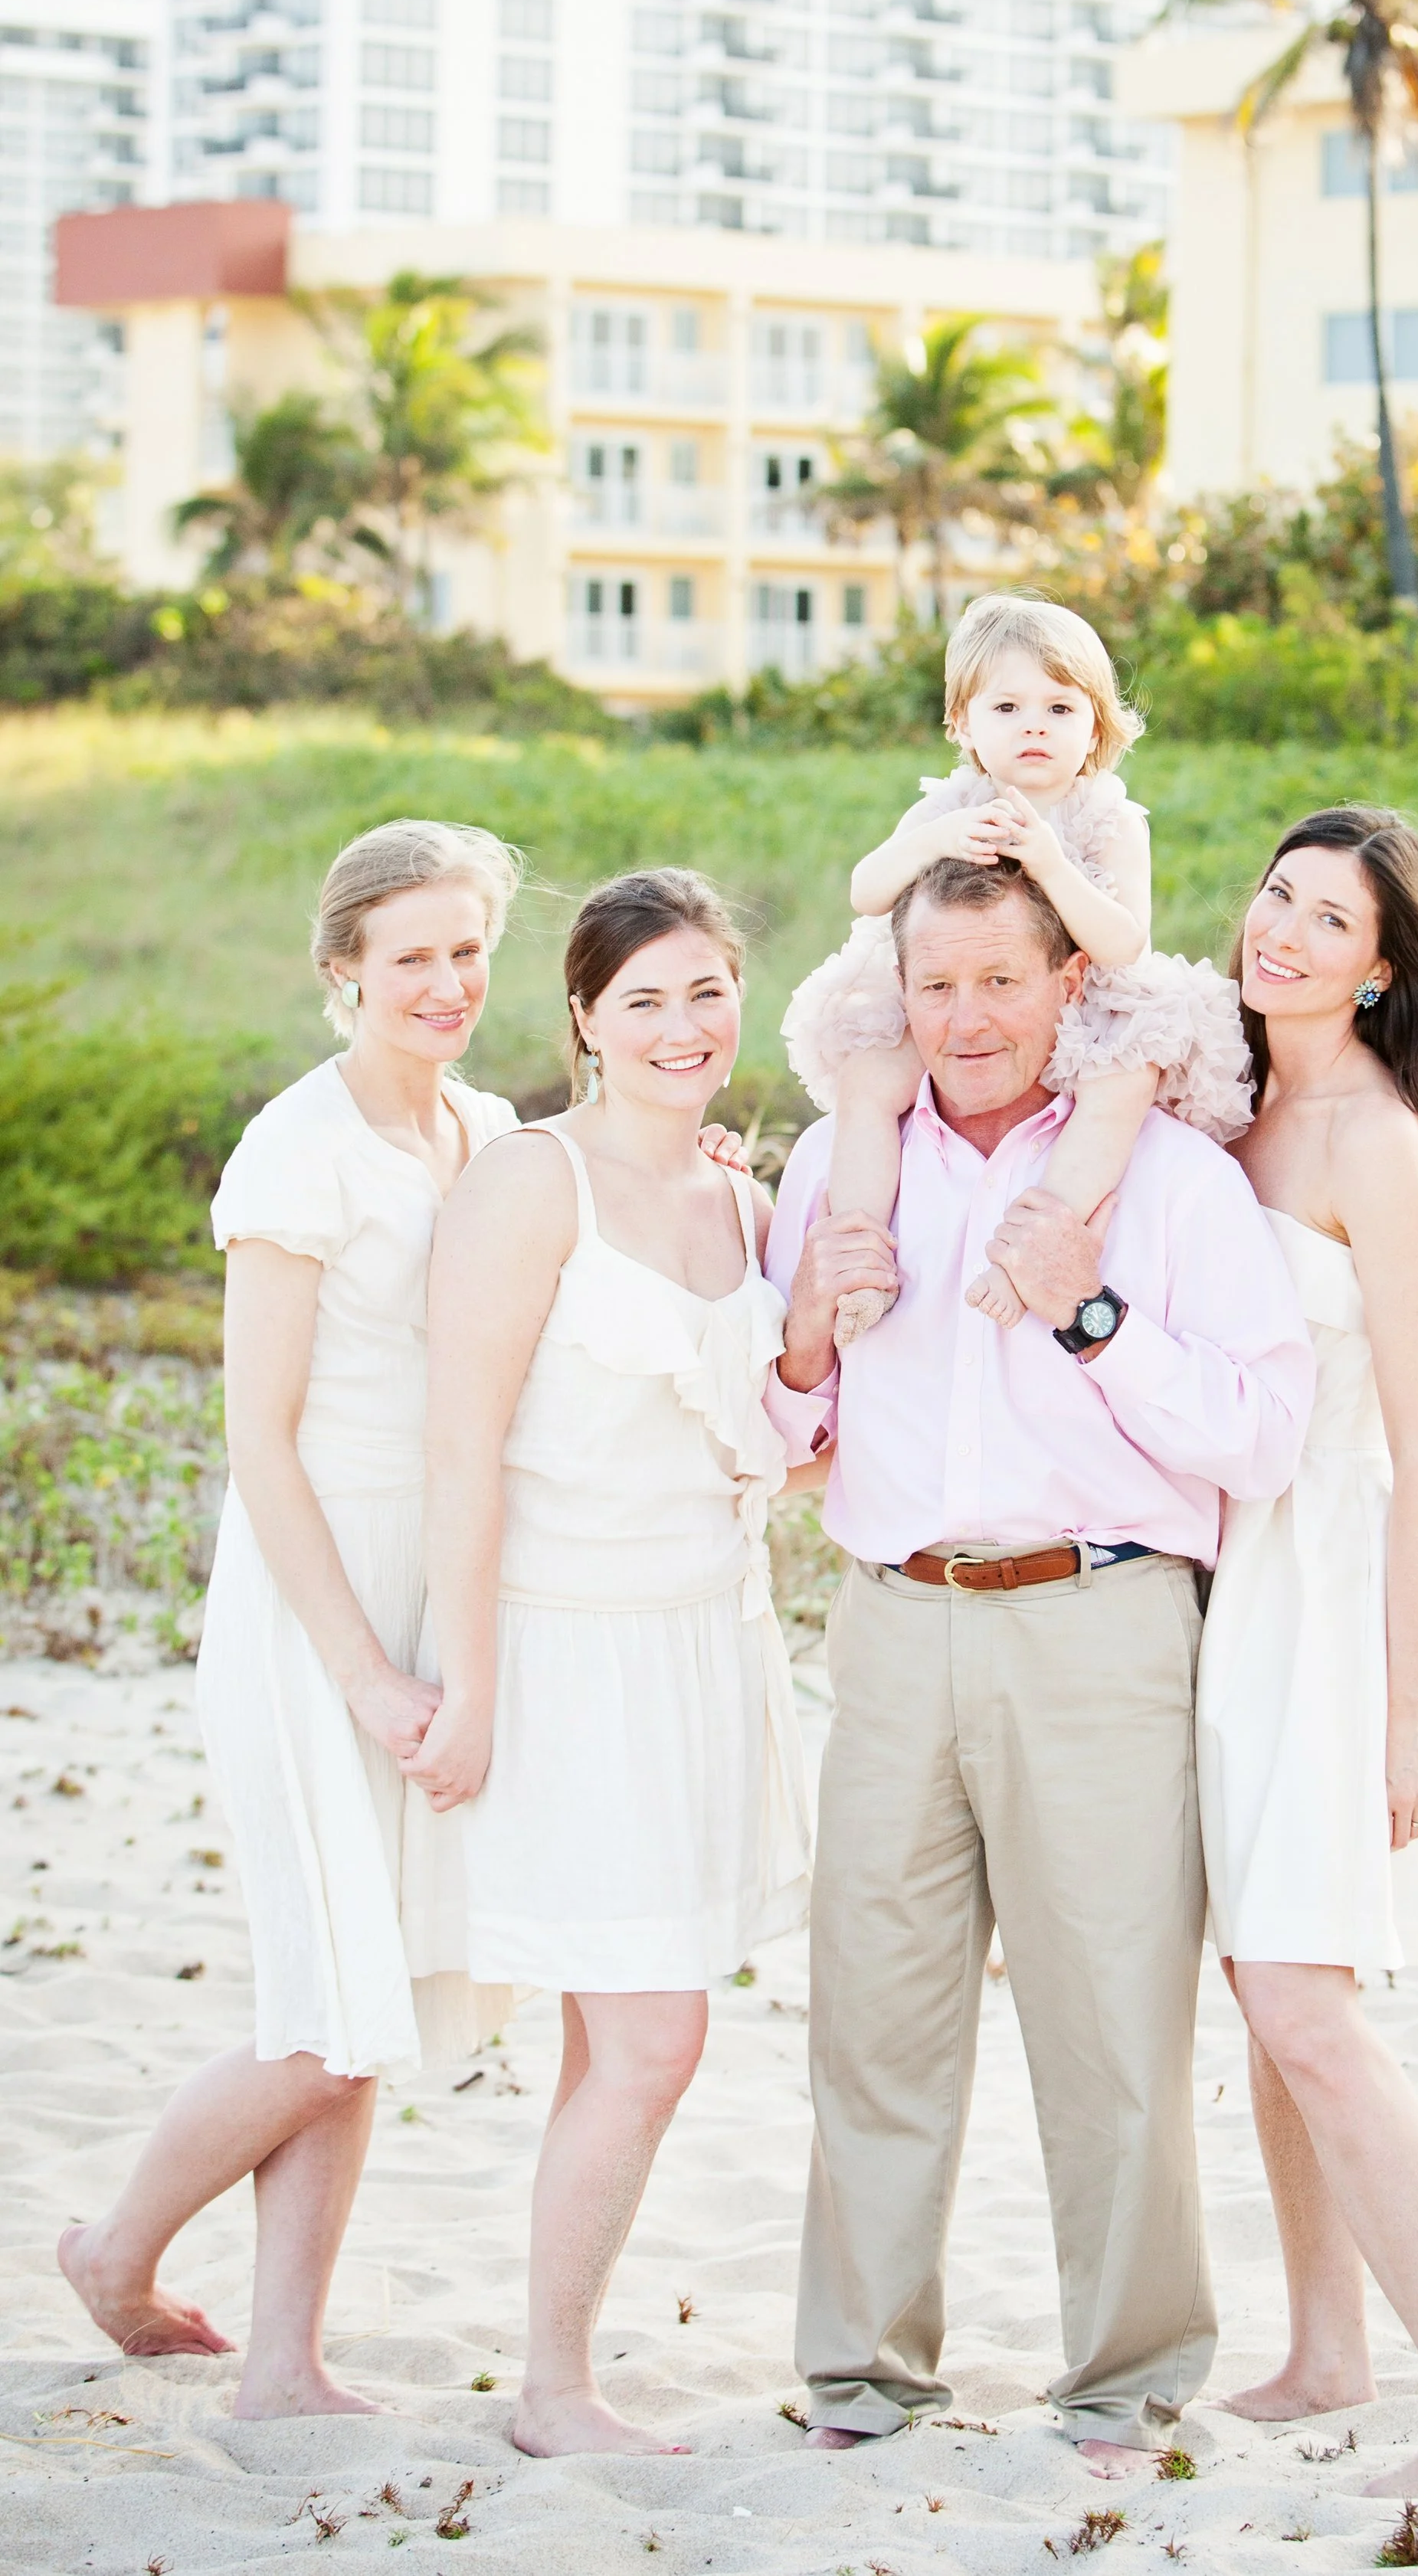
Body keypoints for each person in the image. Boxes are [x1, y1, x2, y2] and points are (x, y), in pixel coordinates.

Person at [766, 849, 1315, 2473]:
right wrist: (798, 1338)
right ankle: (860, 2376)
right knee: (870, 2013)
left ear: (1069, 987)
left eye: (1000, 980)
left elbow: (1264, 1430)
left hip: (1099, 1618)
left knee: (1111, 2020)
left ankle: (1128, 2378)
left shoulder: (1167, 1182)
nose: (965, 1017)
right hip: (889, 1618)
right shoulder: (839, 1167)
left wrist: (1091, 1318)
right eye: (933, 985)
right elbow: (772, 1428)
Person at [57, 819, 522, 2414]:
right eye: (412, 959)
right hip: (308, 1604)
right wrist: (360, 1669)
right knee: (322, 2015)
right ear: (343, 974)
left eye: (468, 950)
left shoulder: (486, 1127)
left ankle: (283, 2366)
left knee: (361, 2000)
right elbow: (259, 1440)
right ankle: (116, 2254)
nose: (448, 983)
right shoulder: (297, 1150)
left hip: (431, 1584)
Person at [410, 868, 811, 2460]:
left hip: (711, 1650)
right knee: (655, 2037)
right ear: (580, 1017)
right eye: (642, 997)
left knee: (616, 2033)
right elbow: (461, 1447)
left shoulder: (745, 1201)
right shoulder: (529, 1185)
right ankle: (556, 2391)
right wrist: (477, 1684)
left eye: (706, 990)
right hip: (570, 1658)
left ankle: (558, 2366)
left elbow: (772, 1444)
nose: (680, 1024)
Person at [1196, 805, 1418, 2498]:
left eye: (1330, 921)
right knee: (1262, 1995)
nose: (1286, 934)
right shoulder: (1228, 1106)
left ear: (1382, 966)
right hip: (1221, 1593)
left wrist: (1404, 1710)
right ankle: (1322, 2348)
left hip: (1325, 1603)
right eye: (1276, 896)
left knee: (1309, 2007)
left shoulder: (1373, 1144)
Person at [781, 593, 1250, 1342]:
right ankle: (862, 1261)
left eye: (1060, 709)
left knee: (1119, 1088)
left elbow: (1124, 940)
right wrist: (936, 841)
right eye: (1006, 706)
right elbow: (867, 890)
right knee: (871, 1084)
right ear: (963, 724)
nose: (1034, 725)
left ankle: (1031, 1247)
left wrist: (1053, 865)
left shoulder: (1107, 817)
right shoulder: (952, 804)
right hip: (963, 993)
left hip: (1091, 997)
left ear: (1095, 725)